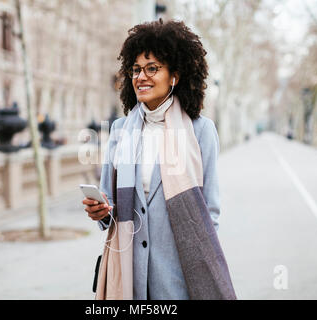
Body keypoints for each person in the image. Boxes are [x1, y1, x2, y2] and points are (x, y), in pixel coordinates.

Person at [82, 19, 236, 300]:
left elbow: (209, 212)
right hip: (128, 278)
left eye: (152, 68)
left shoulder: (201, 131)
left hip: (180, 279)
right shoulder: (119, 131)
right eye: (136, 69)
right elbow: (108, 205)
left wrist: (200, 272)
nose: (141, 77)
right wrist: (101, 212)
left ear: (175, 75)